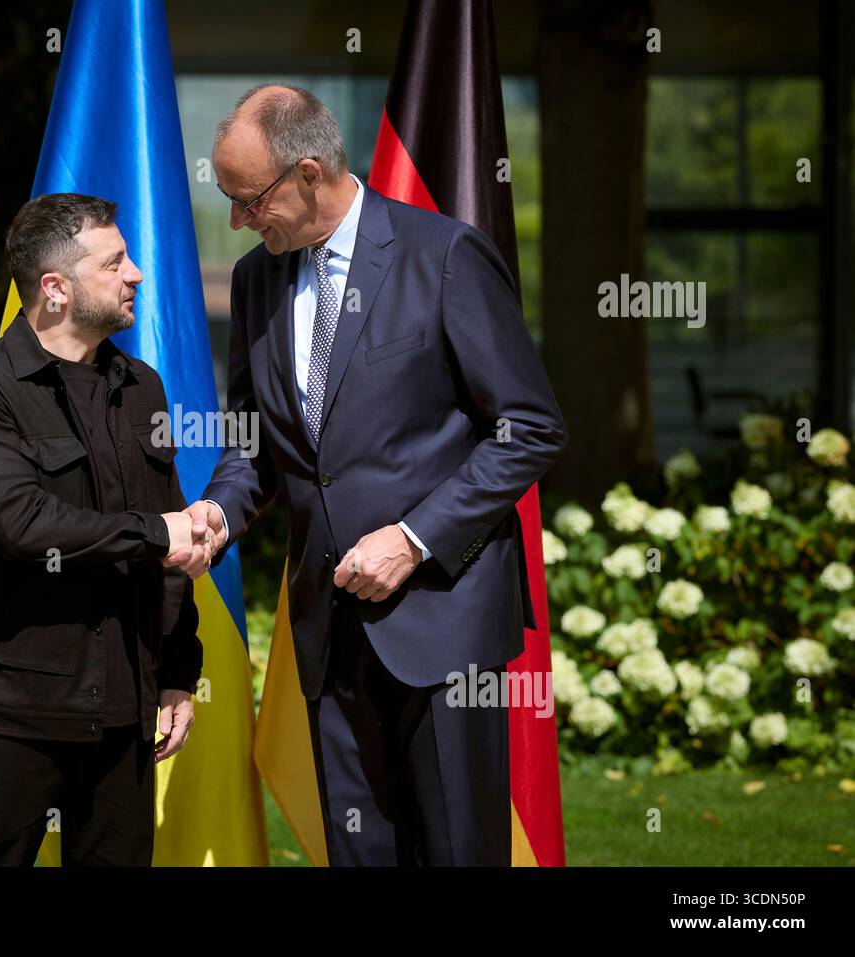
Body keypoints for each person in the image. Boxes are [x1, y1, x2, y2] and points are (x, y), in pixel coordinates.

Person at [168, 85, 567, 865]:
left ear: (307, 173)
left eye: (248, 201)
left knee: (456, 850)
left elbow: (529, 428)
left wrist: (416, 538)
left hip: (442, 621)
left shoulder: (444, 255)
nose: (239, 222)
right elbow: (258, 442)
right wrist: (218, 512)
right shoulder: (258, 280)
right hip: (328, 629)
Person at [0, 192, 206, 866]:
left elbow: (170, 540)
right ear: (55, 288)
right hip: (11, 714)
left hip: (125, 711)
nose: (136, 273)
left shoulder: (141, 385)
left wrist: (175, 670)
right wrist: (156, 533)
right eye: (115, 262)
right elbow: (21, 524)